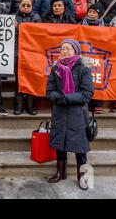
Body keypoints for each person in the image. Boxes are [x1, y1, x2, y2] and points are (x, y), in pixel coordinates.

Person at [46, 39, 94, 190]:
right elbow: (49, 90)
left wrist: (67, 98)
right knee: (60, 144)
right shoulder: (55, 69)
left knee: (80, 147)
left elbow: (87, 93)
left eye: (68, 48)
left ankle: (83, 177)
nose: (65, 51)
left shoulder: (83, 68)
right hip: (60, 112)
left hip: (77, 114)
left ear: (76, 51)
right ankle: (61, 172)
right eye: (63, 49)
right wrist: (56, 98)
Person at [13, 0, 41, 115]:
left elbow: (35, 33)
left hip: (32, 54)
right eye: (23, 5)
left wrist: (18, 27)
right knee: (18, 81)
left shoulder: (36, 17)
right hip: (17, 52)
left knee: (31, 80)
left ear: (32, 6)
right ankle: (19, 106)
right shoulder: (13, 17)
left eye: (28, 5)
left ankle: (30, 106)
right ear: (19, 5)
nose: (25, 7)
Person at [80, 3, 105, 114]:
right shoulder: (80, 25)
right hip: (84, 54)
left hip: (98, 56)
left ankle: (98, 104)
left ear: (99, 15)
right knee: (83, 80)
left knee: (97, 79)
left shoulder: (104, 27)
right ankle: (84, 103)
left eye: (94, 12)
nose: (91, 14)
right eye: (90, 12)